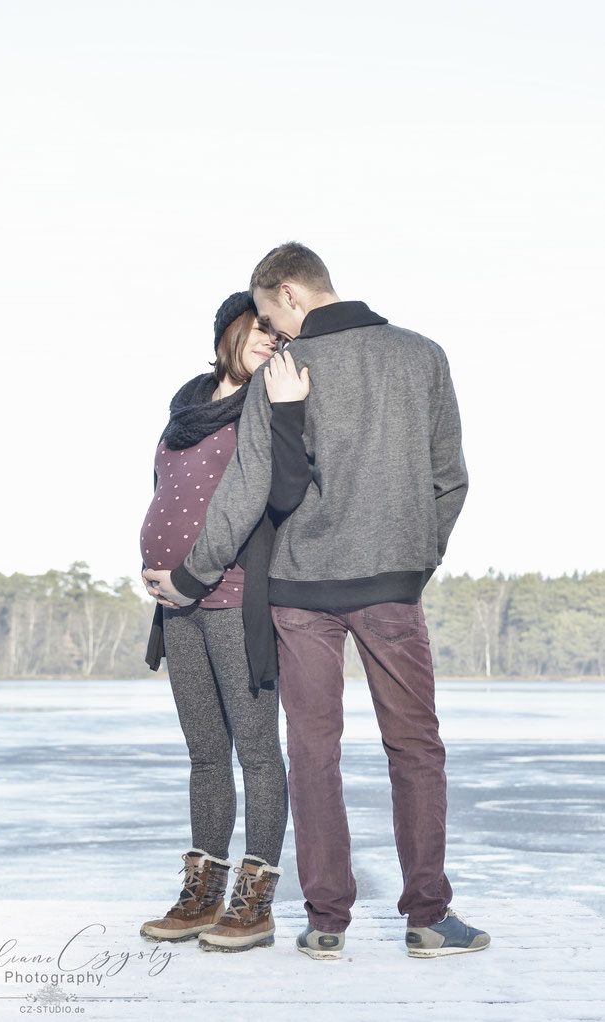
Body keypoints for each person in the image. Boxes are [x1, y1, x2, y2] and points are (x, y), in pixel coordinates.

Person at [145, 243, 491, 960]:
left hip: (298, 591)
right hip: (392, 587)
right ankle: (428, 917)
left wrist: (189, 575)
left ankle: (326, 922)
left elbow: (247, 490)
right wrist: (414, 561)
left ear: (290, 293)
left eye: (271, 312)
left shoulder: (281, 371)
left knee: (312, 754)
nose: (272, 328)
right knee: (416, 750)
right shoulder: (422, 354)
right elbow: (449, 478)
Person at [139, 291, 310, 954]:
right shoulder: (188, 401)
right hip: (174, 601)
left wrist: (292, 411)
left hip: (237, 595)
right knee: (205, 752)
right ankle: (202, 893)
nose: (270, 339)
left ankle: (253, 902)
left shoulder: (272, 402)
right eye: (257, 328)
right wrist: (158, 565)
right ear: (228, 331)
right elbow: (167, 489)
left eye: (278, 331)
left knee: (257, 753)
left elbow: (287, 489)